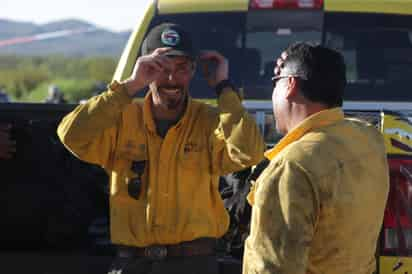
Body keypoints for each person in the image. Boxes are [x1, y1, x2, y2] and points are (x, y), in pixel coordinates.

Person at [57, 22, 265, 274]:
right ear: (144, 69)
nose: (171, 78)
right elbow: (71, 135)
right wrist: (129, 86)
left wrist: (223, 87)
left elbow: (250, 152)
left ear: (193, 71)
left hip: (194, 264)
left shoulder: (210, 121)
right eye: (160, 68)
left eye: (182, 69)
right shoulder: (121, 118)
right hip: (132, 263)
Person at [242, 42, 389, 274]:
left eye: (275, 83)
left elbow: (274, 268)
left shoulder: (292, 166)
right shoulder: (369, 139)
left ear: (290, 85)